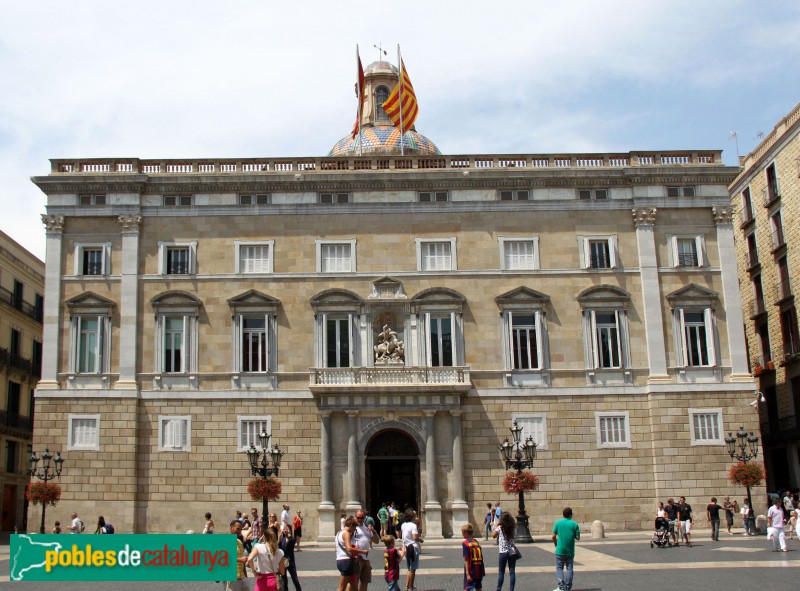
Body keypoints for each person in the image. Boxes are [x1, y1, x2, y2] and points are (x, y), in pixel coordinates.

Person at [552, 507, 580, 591]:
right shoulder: (574, 524)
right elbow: (578, 537)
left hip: (560, 549)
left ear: (563, 514)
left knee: (559, 568)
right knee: (569, 568)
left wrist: (556, 544)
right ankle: (568, 587)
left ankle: (561, 587)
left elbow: (553, 536)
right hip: (570, 550)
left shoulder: (557, 523)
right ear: (571, 515)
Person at [336, 516, 368, 591]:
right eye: (354, 527)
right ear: (351, 525)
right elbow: (349, 548)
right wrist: (362, 551)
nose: (354, 530)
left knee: (353, 586)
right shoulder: (346, 534)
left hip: (340, 560)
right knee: (341, 588)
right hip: (346, 561)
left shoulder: (338, 533)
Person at [354, 510, 380, 591]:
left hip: (366, 558)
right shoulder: (352, 528)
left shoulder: (367, 528)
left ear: (365, 518)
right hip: (356, 558)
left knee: (365, 581)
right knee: (354, 582)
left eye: (362, 518)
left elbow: (376, 541)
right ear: (355, 517)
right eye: (358, 518)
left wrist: (373, 531)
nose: (360, 519)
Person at [492, 512, 517, 591]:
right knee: (512, 572)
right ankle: (511, 589)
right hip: (512, 552)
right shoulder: (513, 528)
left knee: (501, 572)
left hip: (503, 552)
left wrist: (496, 526)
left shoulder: (500, 527)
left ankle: (498, 589)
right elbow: (515, 536)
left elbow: (493, 535)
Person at [225, 519, 249, 591]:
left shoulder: (239, 542)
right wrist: (239, 560)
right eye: (238, 529)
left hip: (242, 577)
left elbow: (242, 560)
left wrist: (246, 576)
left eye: (241, 529)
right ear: (231, 528)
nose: (239, 531)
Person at [400, 509, 420, 591]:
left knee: (409, 568)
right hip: (413, 547)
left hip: (406, 547)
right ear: (412, 517)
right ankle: (410, 587)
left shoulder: (403, 525)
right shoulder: (413, 525)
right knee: (413, 569)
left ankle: (407, 586)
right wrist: (420, 540)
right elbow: (415, 537)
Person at [462, 523, 485, 591]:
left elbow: (466, 559)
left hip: (471, 569)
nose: (462, 534)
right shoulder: (476, 542)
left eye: (462, 533)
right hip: (479, 569)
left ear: (466, 533)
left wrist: (467, 574)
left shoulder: (465, 543)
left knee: (467, 588)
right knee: (478, 587)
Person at [279, 525, 302, 591]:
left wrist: (289, 534)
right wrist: (279, 537)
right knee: (284, 580)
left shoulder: (291, 539)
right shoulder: (282, 539)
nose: (285, 530)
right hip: (283, 561)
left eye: (286, 529)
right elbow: (278, 547)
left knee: (295, 579)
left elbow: (292, 542)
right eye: (284, 529)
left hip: (290, 561)